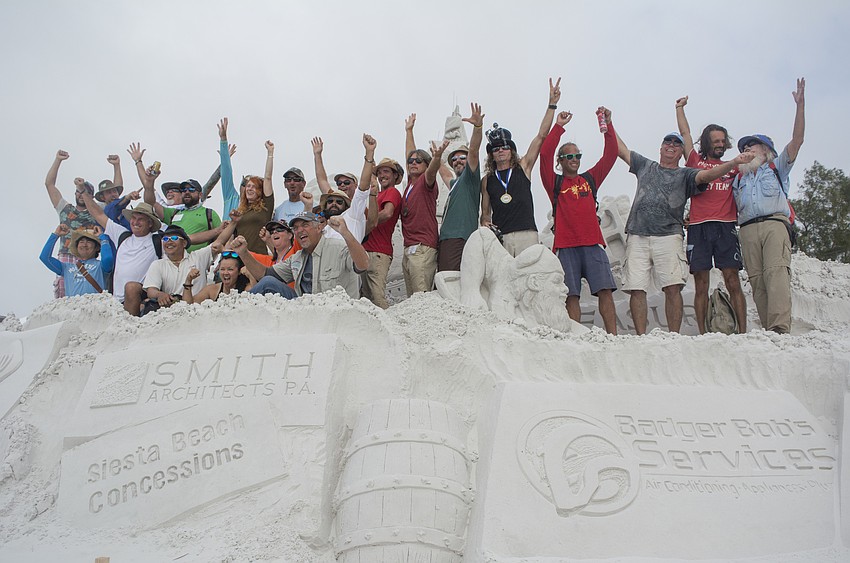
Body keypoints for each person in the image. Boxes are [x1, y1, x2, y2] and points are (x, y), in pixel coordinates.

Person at [616, 129, 754, 335]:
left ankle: (673, 336)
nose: (671, 145)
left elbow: (708, 175)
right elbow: (621, 150)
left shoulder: (686, 174)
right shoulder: (645, 165)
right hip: (637, 234)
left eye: (677, 143)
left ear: (682, 152)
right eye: (667, 141)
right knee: (636, 288)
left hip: (669, 235)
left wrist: (734, 163)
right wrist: (608, 124)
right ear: (660, 147)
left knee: (672, 287)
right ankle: (640, 337)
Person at [733, 78, 806, 334]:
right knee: (757, 280)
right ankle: (768, 330)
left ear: (765, 149)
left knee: (776, 273)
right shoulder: (738, 178)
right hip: (747, 229)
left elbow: (797, 141)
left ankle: (779, 328)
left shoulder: (777, 168)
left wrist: (800, 106)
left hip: (775, 224)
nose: (746, 149)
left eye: (750, 145)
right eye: (743, 148)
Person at [540, 105, 619, 334]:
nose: (574, 159)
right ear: (561, 161)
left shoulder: (590, 178)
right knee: (571, 295)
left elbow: (611, 155)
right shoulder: (554, 183)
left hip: (593, 244)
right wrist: (558, 127)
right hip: (566, 246)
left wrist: (608, 125)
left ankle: (613, 337)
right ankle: (576, 336)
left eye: (578, 155)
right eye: (569, 156)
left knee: (605, 290)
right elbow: (544, 155)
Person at [675, 96, 747, 333]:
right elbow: (685, 135)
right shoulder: (695, 161)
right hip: (698, 227)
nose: (719, 144)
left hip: (725, 226)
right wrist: (679, 109)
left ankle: (743, 332)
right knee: (701, 283)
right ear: (706, 143)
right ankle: (703, 333)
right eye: (715, 140)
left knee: (732, 280)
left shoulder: (735, 166)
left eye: (722, 141)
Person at [481, 79, 560, 257]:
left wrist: (552, 105)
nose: (500, 150)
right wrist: (485, 223)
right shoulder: (486, 180)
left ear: (512, 150)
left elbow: (541, 136)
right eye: (495, 148)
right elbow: (485, 214)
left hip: (527, 233)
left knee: (530, 279)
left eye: (504, 147)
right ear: (491, 154)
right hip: (502, 238)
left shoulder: (524, 166)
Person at [239, 212, 369, 299]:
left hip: (336, 313)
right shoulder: (297, 258)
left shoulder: (338, 247)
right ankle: (233, 311)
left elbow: (363, 265)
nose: (300, 230)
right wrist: (243, 253)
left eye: (305, 225)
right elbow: (265, 275)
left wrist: (346, 233)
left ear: (319, 228)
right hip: (306, 313)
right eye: (295, 228)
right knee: (268, 282)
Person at [83, 190, 163, 315]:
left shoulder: (158, 240)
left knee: (131, 287)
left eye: (141, 219)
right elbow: (98, 214)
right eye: (134, 218)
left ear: (150, 223)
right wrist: (83, 191)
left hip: (142, 298)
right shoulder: (122, 235)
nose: (135, 222)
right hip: (117, 301)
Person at [402, 113, 450, 294]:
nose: (413, 163)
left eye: (418, 161)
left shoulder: (426, 181)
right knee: (412, 298)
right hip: (409, 247)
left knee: (421, 296)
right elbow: (409, 153)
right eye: (410, 162)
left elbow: (431, 172)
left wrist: (436, 158)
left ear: (426, 164)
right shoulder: (410, 184)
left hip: (423, 247)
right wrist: (409, 131)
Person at [44, 150, 99, 298]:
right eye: (78, 192)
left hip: (89, 256)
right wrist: (58, 160)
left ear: (91, 196)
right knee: (64, 294)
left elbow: (114, 197)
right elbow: (49, 184)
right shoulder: (65, 209)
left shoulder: (96, 212)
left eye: (85, 192)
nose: (81, 195)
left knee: (87, 294)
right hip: (66, 255)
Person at [141, 224, 231, 313]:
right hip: (171, 311)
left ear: (184, 243)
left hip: (198, 310)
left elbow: (219, 241)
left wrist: (234, 222)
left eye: (174, 238)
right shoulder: (157, 264)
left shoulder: (198, 257)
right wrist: (160, 294)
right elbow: (151, 290)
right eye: (165, 239)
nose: (169, 242)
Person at [438, 102, 485, 272]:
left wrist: (478, 127)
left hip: (461, 237)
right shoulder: (454, 184)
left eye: (461, 158)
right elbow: (444, 173)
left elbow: (473, 150)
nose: (458, 160)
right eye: (454, 159)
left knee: (453, 279)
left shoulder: (470, 178)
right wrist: (436, 157)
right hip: (446, 238)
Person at [359, 139, 403, 309]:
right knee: (367, 297)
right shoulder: (376, 196)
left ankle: (389, 329)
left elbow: (388, 213)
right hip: (368, 250)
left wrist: (368, 224)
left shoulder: (392, 192)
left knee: (377, 296)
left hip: (379, 252)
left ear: (395, 176)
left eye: (387, 172)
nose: (383, 175)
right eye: (380, 173)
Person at [311, 136, 370, 242]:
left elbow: (364, 187)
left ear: (356, 185)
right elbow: (322, 180)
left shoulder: (355, 211)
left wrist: (369, 153)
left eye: (347, 182)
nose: (342, 185)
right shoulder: (326, 228)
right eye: (339, 183)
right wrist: (317, 155)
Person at [40, 225, 114, 297]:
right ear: (77, 247)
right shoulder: (66, 267)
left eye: (89, 242)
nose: (84, 245)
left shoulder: (101, 266)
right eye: (81, 242)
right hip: (74, 308)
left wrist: (103, 238)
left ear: (97, 247)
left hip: (95, 307)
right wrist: (56, 235)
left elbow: (108, 258)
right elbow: (45, 258)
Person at [182, 252, 253, 303]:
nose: (225, 273)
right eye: (222, 269)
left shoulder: (247, 288)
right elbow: (188, 305)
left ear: (239, 271)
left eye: (230, 269)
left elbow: (257, 299)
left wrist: (250, 275)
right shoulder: (212, 290)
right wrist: (188, 280)